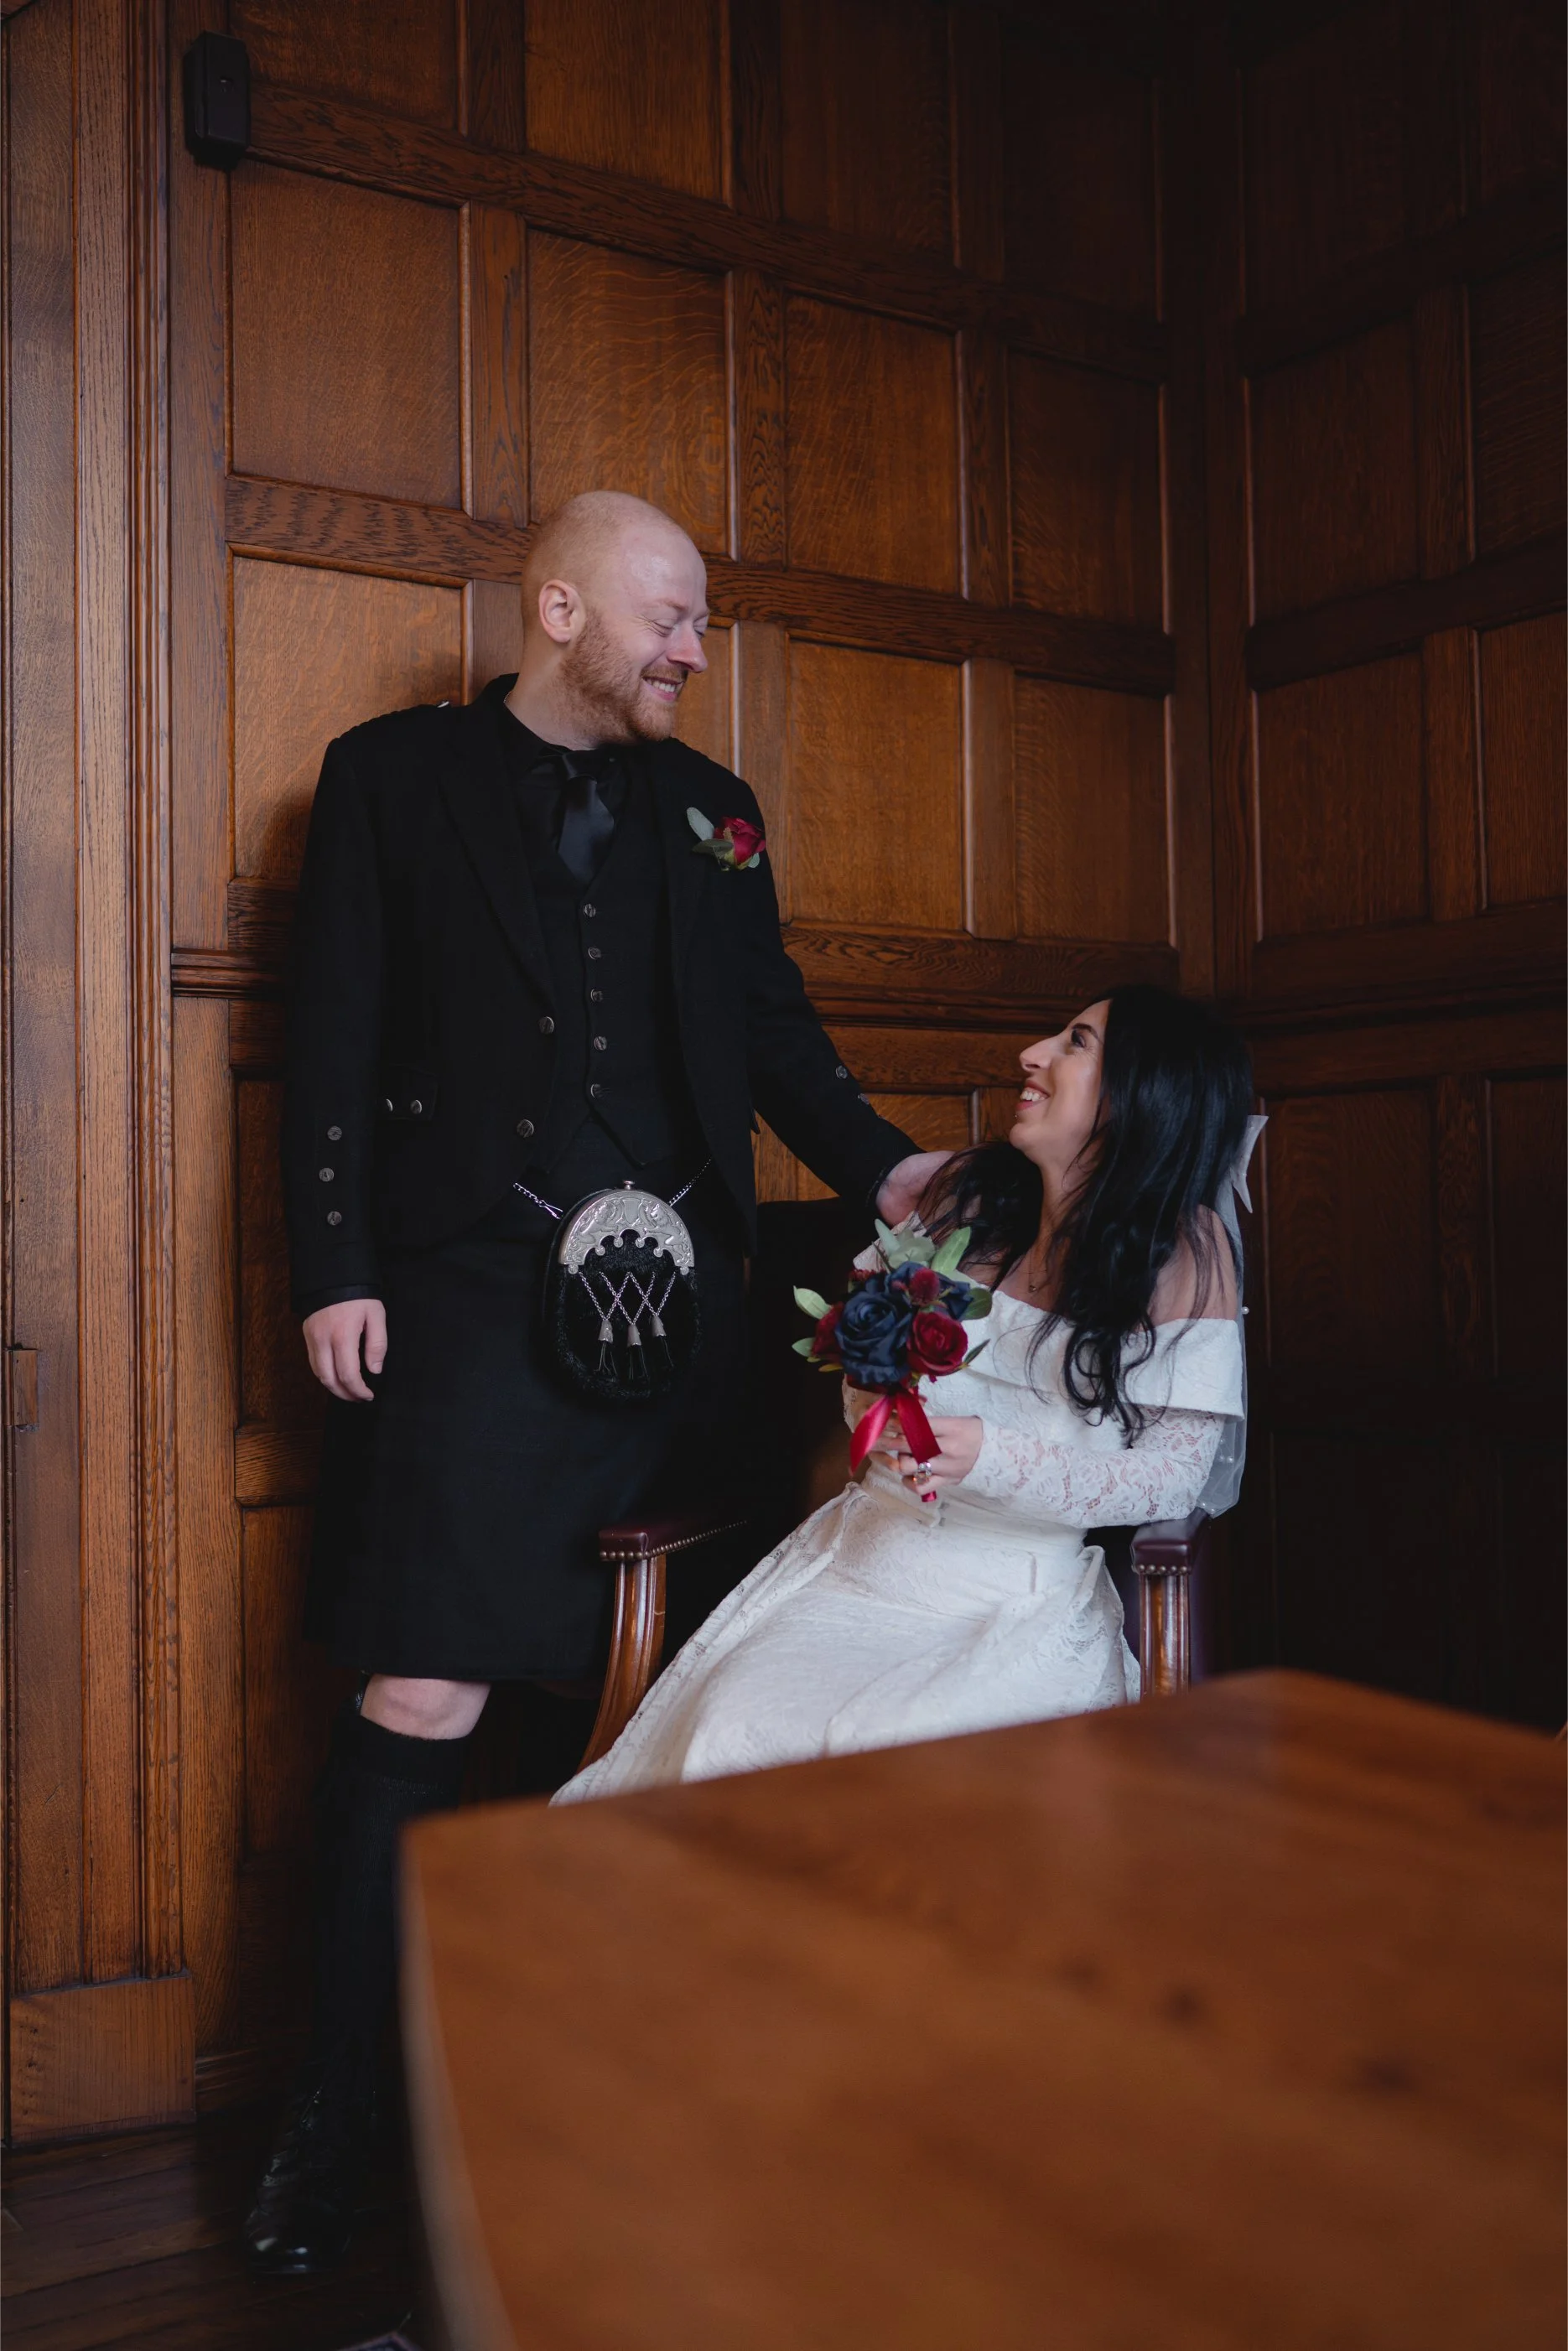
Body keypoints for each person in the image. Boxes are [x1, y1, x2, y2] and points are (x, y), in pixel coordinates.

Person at [246, 490, 943, 2272]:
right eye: (670, 617)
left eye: (699, 620)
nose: (694, 649)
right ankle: (339, 2131)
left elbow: (774, 1029)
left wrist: (888, 1171)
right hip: (467, 1305)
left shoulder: (713, 808)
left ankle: (581, 2099)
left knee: (662, 1706)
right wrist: (332, 1267)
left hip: (687, 1321)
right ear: (558, 608)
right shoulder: (391, 777)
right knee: (422, 1693)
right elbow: (331, 1034)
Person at [557, 986, 1257, 1802]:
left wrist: (988, 1457)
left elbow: (1173, 1477)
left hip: (1009, 1603)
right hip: (859, 1567)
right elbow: (866, 1377)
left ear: (1143, 1091)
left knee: (904, 1759)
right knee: (734, 1731)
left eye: (1075, 1042)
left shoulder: (1186, 1254)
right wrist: (881, 1409)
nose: (1032, 1054)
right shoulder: (965, 1199)